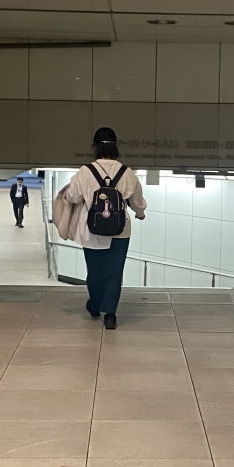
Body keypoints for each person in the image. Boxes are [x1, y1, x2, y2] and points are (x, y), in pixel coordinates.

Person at [63, 128, 146, 329]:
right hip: (120, 230)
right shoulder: (127, 172)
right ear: (116, 146)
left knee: (95, 272)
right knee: (114, 273)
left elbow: (73, 196)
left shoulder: (85, 171)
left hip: (92, 229)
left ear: (95, 146)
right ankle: (110, 315)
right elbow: (137, 201)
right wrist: (140, 212)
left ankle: (94, 305)